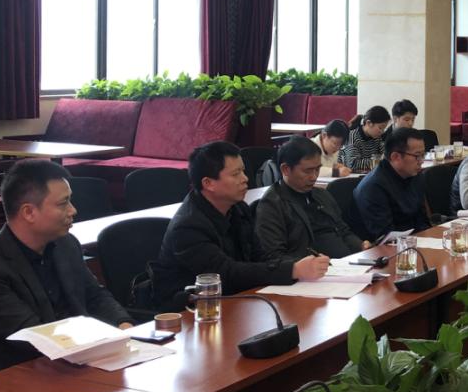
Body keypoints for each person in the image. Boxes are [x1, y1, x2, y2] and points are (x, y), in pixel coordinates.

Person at [0, 159, 133, 378]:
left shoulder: (66, 244)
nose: (73, 210)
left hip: (75, 363)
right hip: (19, 378)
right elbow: (35, 338)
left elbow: (95, 296)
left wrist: (124, 327)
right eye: (63, 204)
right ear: (29, 212)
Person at [148, 141, 301, 311]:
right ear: (208, 183)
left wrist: (297, 265)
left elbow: (260, 256)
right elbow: (226, 274)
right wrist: (291, 270)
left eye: (243, 171)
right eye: (236, 174)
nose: (245, 178)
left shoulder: (237, 208)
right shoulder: (187, 227)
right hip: (190, 311)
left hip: (234, 300)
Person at [254, 136, 369, 268]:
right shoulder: (272, 205)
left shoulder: (322, 195)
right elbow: (274, 256)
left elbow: (343, 231)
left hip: (346, 266)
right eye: (307, 171)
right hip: (311, 273)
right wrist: (304, 266)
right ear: (286, 169)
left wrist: (360, 245)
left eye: (317, 169)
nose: (314, 177)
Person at [349, 127, 430, 241]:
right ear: (395, 157)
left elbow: (422, 220)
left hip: (414, 241)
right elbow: (384, 237)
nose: (421, 161)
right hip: (381, 248)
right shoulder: (373, 187)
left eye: (423, 154)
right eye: (417, 156)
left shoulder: (415, 175)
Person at [339, 106, 390, 171]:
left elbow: (386, 156)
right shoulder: (353, 137)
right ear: (369, 123)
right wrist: (377, 161)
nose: (382, 132)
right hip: (350, 175)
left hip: (369, 174)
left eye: (384, 128)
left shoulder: (377, 138)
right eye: (380, 128)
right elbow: (352, 164)